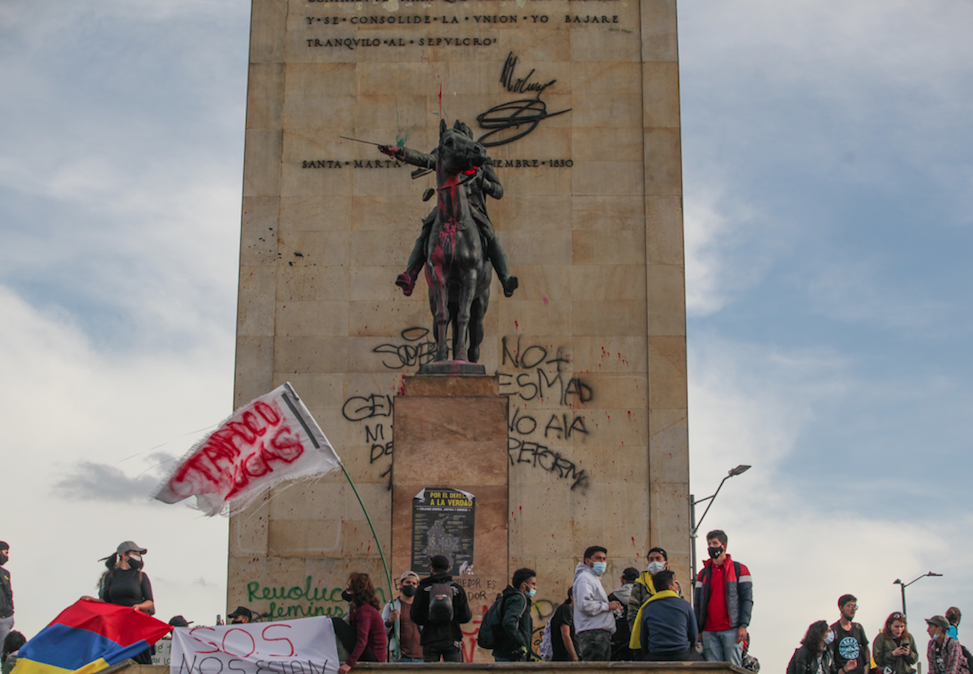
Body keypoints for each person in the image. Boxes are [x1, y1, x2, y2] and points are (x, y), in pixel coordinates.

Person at [378, 124, 518, 299]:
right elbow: (425, 159)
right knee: (426, 231)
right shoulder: (445, 155)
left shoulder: (483, 163)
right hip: (446, 206)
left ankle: (505, 279)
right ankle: (410, 274)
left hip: (473, 208)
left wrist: (485, 183)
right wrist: (400, 150)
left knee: (490, 235)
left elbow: (499, 191)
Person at [79, 541, 155, 664]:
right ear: (124, 555)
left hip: (137, 626)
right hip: (117, 627)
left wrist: (139, 606)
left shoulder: (141, 576)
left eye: (139, 554)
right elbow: (106, 602)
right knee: (117, 663)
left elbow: (150, 602)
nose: (138, 556)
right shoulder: (109, 577)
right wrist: (93, 601)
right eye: (135, 553)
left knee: (141, 662)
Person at [694, 530, 753, 666]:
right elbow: (697, 603)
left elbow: (747, 599)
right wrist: (698, 630)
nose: (711, 547)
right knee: (713, 669)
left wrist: (743, 626)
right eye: (709, 544)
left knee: (732, 667)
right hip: (708, 630)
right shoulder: (703, 574)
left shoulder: (740, 569)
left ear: (724, 546)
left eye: (715, 543)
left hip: (731, 629)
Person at [410, 555, 472, 662]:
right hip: (452, 638)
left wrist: (428, 618)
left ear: (432, 569)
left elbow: (415, 616)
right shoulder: (457, 589)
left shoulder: (422, 589)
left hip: (430, 639)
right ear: (448, 569)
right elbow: (465, 617)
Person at [628, 570, 700, 661]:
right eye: (675, 582)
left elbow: (643, 639)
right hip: (681, 654)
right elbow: (693, 634)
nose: (677, 586)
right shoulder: (685, 605)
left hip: (656, 654)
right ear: (670, 587)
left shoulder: (647, 607)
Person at [573, 545, 623, 661]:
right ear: (587, 561)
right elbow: (584, 604)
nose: (602, 562)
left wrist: (612, 608)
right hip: (593, 634)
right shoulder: (585, 578)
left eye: (604, 559)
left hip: (599, 634)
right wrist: (607, 606)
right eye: (598, 558)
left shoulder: (592, 578)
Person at [338, 572, 387, 674]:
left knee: (336, 623)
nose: (346, 590)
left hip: (373, 655)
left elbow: (362, 640)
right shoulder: (361, 609)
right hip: (371, 653)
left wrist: (348, 664)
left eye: (349, 588)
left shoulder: (364, 611)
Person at [493, 568, 536, 662]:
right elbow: (509, 622)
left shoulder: (510, 597)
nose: (535, 587)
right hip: (512, 655)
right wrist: (521, 644)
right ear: (524, 585)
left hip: (507, 653)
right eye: (533, 584)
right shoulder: (518, 599)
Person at [787, 620, 859, 674]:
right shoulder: (803, 652)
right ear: (820, 634)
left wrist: (845, 669)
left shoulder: (828, 652)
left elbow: (832, 672)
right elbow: (799, 671)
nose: (831, 634)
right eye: (828, 631)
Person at [628, 547, 671, 633]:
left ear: (665, 563)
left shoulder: (673, 582)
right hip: (647, 627)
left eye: (658, 558)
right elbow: (633, 606)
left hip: (669, 627)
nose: (654, 562)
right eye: (651, 559)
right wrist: (633, 627)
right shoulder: (641, 583)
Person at [382, 571, 423, 662]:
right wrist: (390, 621)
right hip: (401, 658)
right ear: (401, 585)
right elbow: (382, 631)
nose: (411, 586)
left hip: (421, 658)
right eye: (408, 582)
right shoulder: (391, 606)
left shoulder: (422, 607)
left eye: (414, 583)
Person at [829, 595, 869, 674]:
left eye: (855, 606)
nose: (853, 609)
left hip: (859, 670)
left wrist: (867, 664)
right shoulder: (834, 629)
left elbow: (866, 647)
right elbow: (830, 653)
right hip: (844, 670)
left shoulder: (858, 627)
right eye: (850, 606)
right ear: (841, 608)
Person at [609, 567, 639, 660]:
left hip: (617, 640)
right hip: (636, 640)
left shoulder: (612, 597)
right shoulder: (641, 597)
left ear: (622, 580)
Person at [551, 588, 580, 662]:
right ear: (572, 597)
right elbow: (566, 635)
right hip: (565, 660)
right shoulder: (565, 609)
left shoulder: (576, 614)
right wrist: (575, 657)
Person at [0, 543, 12, 650]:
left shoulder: (5, 574)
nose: (7, 556)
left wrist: (10, 614)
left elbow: (9, 594)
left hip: (5, 617)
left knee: (4, 651)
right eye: (5, 552)